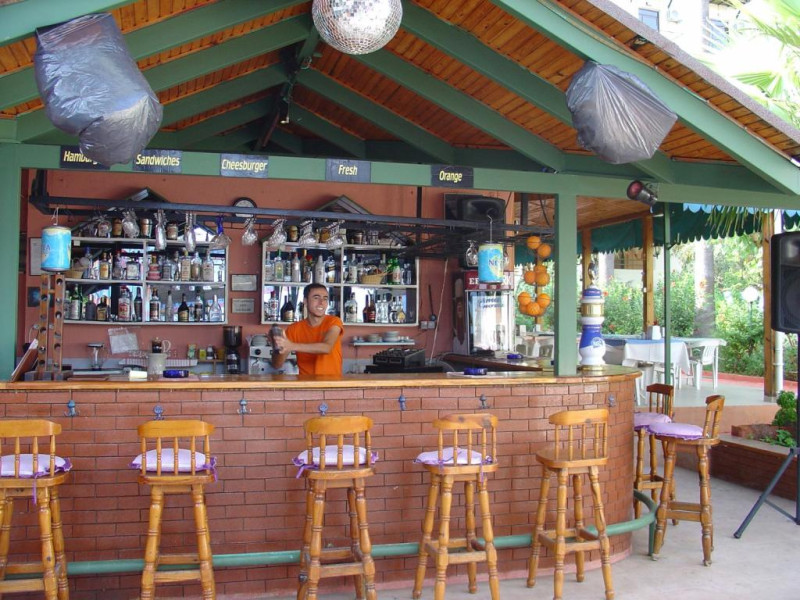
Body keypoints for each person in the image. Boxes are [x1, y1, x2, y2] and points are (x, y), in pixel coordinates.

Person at [271, 283, 343, 376]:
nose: (321, 302)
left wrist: (291, 346)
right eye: (316, 298)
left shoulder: (334, 321)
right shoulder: (294, 329)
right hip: (306, 383)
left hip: (331, 383)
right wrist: (276, 346)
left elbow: (326, 348)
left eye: (325, 298)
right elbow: (277, 364)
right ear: (305, 301)